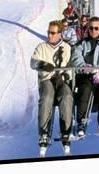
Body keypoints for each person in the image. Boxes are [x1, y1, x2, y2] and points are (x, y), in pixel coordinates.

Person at [30, 20, 74, 151]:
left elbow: (71, 66)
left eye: (53, 33)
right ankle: (44, 132)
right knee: (47, 96)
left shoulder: (66, 48)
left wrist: (65, 76)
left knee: (66, 96)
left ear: (60, 34)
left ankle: (65, 131)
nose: (50, 35)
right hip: (47, 79)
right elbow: (33, 62)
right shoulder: (41, 47)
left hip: (61, 80)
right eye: (48, 32)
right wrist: (42, 65)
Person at [71, 16, 99, 137]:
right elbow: (76, 57)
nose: (93, 30)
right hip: (86, 75)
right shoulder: (81, 44)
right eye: (91, 28)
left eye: (96, 28)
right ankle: (81, 122)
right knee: (84, 90)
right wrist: (83, 66)